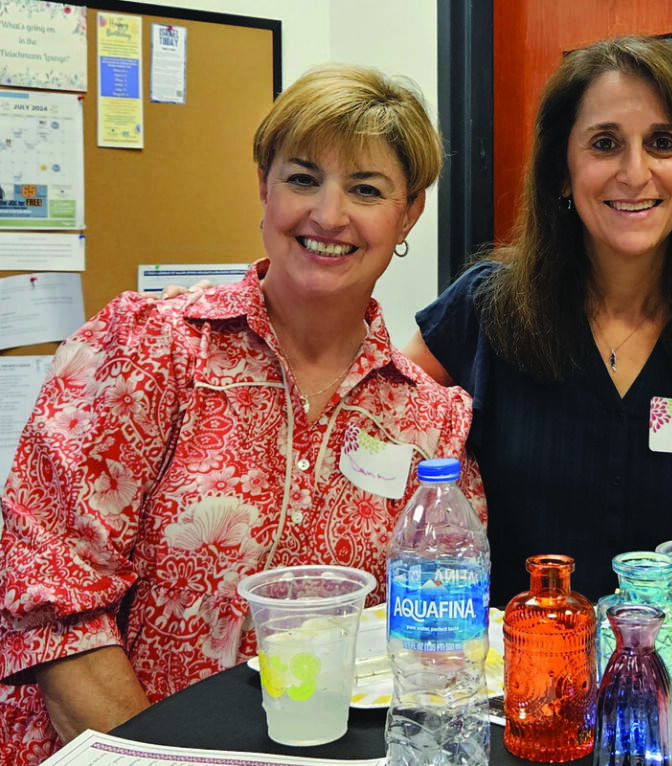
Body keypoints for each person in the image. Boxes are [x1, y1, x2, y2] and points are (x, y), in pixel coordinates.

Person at [0, 64, 484, 765]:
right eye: (301, 177)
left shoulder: (431, 425)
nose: (328, 213)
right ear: (264, 186)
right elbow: (56, 608)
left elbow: (435, 653)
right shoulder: (147, 351)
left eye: (367, 189)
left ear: (408, 214)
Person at [403, 36, 672, 603]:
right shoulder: (485, 309)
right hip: (512, 675)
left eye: (663, 143)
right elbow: (382, 419)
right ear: (563, 171)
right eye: (605, 143)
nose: (635, 173)